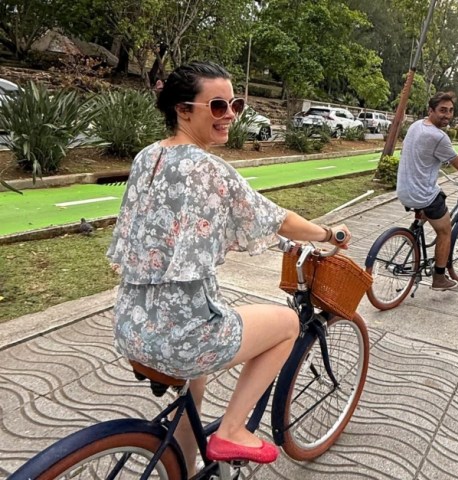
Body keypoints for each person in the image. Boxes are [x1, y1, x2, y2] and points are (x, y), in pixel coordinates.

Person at [106, 61, 351, 473]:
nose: (231, 115)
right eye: (217, 106)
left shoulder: (148, 156)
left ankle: (182, 464)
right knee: (287, 325)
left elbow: (190, 225)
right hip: (182, 332)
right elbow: (276, 219)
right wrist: (329, 234)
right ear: (184, 110)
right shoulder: (208, 168)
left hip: (132, 323)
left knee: (193, 384)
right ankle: (232, 431)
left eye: (234, 104)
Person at [396, 91, 458, 291]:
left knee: (438, 194)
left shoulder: (416, 125)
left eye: (450, 111)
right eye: (442, 110)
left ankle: (417, 229)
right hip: (422, 194)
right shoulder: (438, 136)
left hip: (403, 190)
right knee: (445, 231)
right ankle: (439, 278)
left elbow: (427, 156)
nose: (447, 115)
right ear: (431, 110)